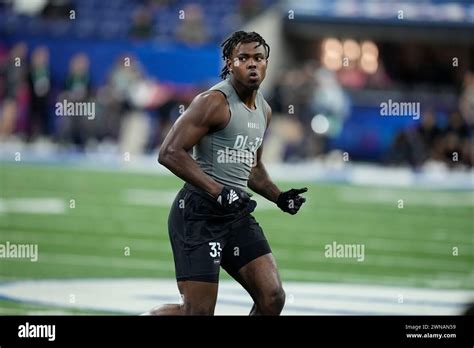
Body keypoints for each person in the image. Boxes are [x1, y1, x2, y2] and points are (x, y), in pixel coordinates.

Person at [147, 31, 307, 316]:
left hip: (235, 214)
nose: (252, 64)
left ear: (267, 63)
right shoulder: (213, 102)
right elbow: (169, 152)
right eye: (243, 58)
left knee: (272, 298)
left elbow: (253, 169)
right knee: (197, 313)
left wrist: (280, 197)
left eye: (258, 58)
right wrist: (217, 191)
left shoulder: (264, 111)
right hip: (198, 214)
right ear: (230, 63)